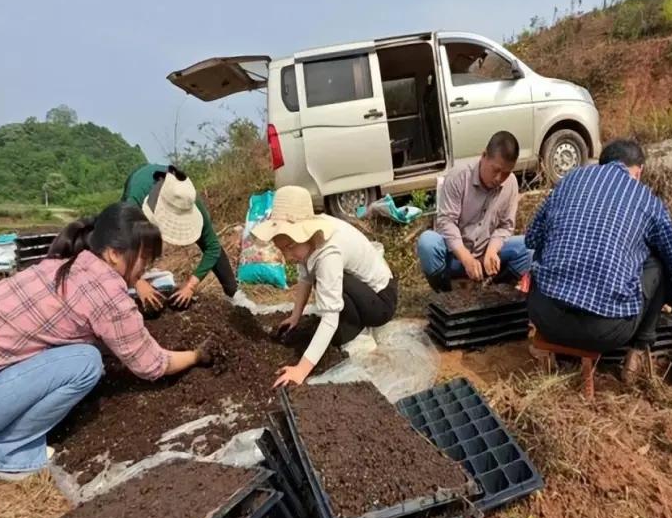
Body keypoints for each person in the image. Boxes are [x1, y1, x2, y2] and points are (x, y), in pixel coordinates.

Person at [0, 203, 215, 484]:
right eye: (144, 260)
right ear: (114, 254)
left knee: (70, 352)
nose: (146, 270)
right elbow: (151, 366)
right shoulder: (107, 297)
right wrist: (197, 355)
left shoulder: (64, 265)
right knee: (85, 363)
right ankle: (7, 453)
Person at [526, 139, 672, 378]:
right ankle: (638, 352)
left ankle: (543, 346)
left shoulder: (570, 180)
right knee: (658, 262)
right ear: (638, 171)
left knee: (545, 244)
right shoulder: (646, 200)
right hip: (605, 333)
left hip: (546, 318)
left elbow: (531, 239)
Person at [252, 186, 397, 387]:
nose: (287, 256)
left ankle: (357, 333)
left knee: (333, 326)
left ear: (304, 234)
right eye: (281, 249)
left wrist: (301, 370)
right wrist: (295, 316)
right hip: (362, 290)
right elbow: (305, 278)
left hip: (381, 302)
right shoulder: (310, 240)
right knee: (322, 281)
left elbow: (330, 317)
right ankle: (353, 322)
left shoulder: (329, 251)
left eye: (290, 248)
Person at [416, 131, 533, 292]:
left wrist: (492, 250)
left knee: (529, 248)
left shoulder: (511, 183)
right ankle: (444, 294)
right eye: (496, 170)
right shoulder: (458, 176)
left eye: (506, 173)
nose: (499, 178)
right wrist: (465, 257)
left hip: (486, 257)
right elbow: (447, 222)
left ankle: (494, 291)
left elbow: (506, 226)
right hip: (454, 256)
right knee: (427, 243)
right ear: (484, 156)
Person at [121, 163, 238, 309]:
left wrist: (191, 285)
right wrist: (137, 282)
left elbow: (212, 247)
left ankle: (234, 295)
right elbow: (118, 245)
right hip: (140, 183)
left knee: (210, 244)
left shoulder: (187, 198)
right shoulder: (133, 202)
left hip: (169, 185)